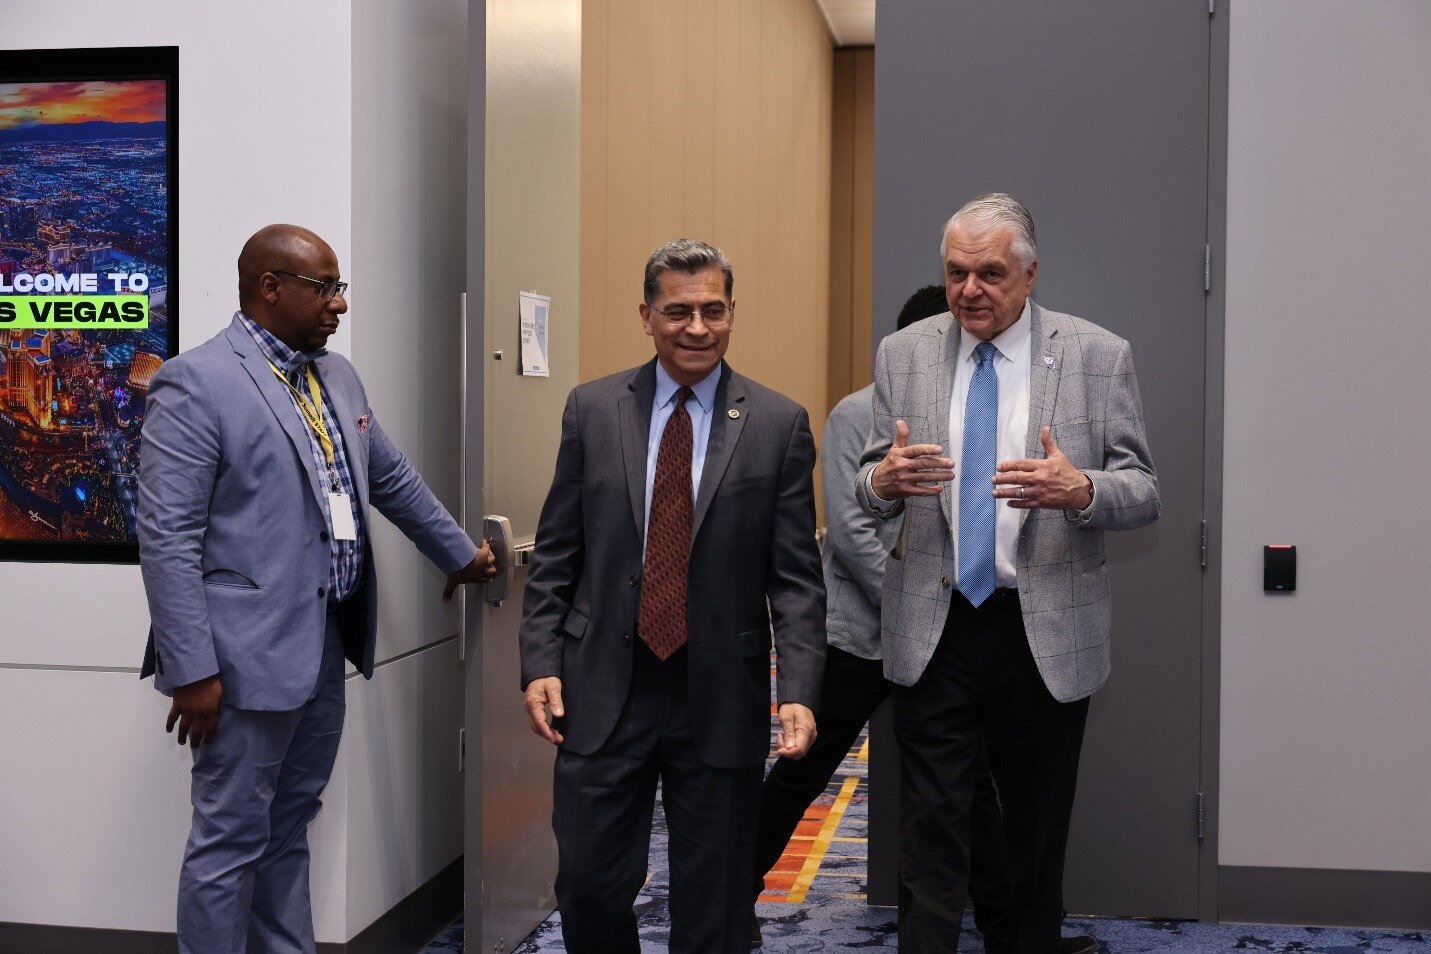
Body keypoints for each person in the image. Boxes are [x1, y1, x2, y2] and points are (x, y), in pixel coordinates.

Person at [138, 224, 497, 954]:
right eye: (324, 287)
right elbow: (167, 538)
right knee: (230, 838)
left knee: (289, 822)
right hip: (237, 662)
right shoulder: (197, 382)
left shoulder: (335, 375)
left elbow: (389, 479)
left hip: (323, 645)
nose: (339, 304)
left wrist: (459, 556)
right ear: (270, 288)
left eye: (340, 288)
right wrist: (193, 669)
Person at [857, 193, 1160, 954]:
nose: (969, 291)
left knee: (1031, 833)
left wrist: (1081, 489)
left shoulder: (1097, 355)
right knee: (931, 832)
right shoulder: (905, 352)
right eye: (956, 273)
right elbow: (869, 475)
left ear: (1028, 275)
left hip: (1041, 629)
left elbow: (1143, 488)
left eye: (989, 273)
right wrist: (881, 482)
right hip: (935, 622)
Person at [518, 238, 826, 954]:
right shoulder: (591, 410)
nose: (697, 327)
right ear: (646, 315)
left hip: (719, 694)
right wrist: (539, 662)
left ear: (731, 313)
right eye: (678, 311)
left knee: (713, 901)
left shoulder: (777, 424)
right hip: (600, 689)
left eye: (712, 310)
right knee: (590, 888)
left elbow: (795, 578)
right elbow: (557, 552)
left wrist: (800, 688)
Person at [751, 284, 1024, 953]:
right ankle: (728, 897)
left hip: (944, 642)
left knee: (972, 790)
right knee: (801, 772)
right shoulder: (855, 414)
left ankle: (1005, 932)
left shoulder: (974, 410)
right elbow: (850, 533)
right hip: (861, 637)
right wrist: (922, 611)